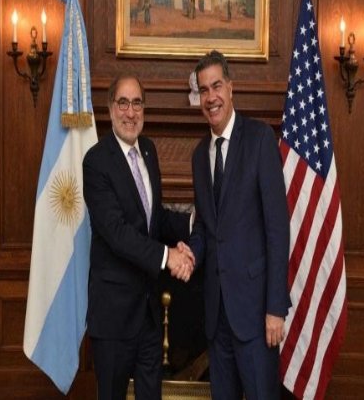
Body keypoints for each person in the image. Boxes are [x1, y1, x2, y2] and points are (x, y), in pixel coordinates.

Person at [83, 74, 194, 400]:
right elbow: (117, 233)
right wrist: (168, 256)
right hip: (113, 316)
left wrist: (194, 223)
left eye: (137, 103)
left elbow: (154, 218)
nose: (130, 113)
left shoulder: (148, 150)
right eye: (123, 103)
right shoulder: (96, 161)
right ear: (110, 108)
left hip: (148, 311)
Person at [188, 50, 290, 399]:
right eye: (203, 90)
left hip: (257, 315)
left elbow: (278, 229)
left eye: (216, 86)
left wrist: (275, 307)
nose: (210, 97)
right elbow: (205, 228)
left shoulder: (260, 139)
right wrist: (189, 254)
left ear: (231, 88)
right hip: (217, 317)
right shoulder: (199, 156)